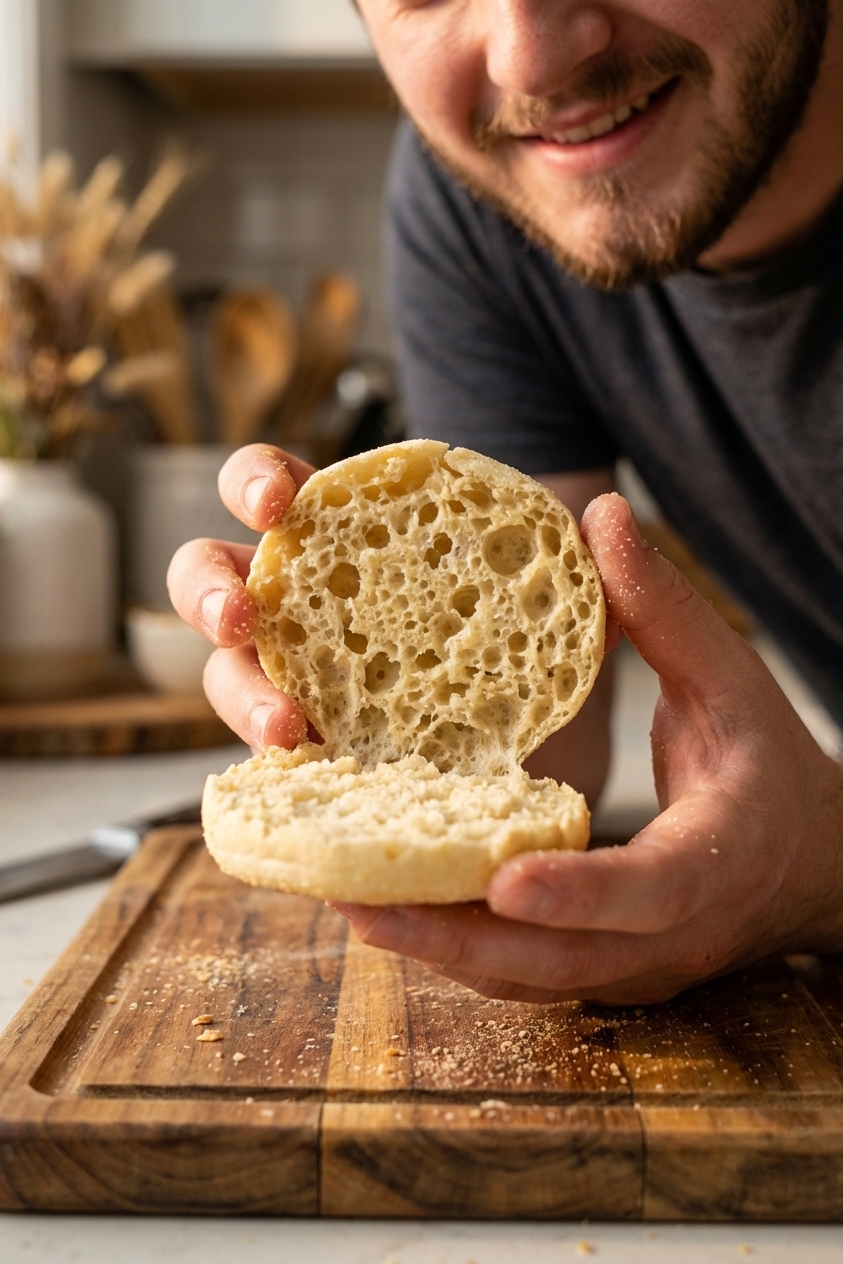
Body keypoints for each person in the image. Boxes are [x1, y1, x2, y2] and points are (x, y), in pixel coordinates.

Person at [168, 0, 843, 1004]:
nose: (531, 55)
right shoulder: (496, 193)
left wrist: (827, 867)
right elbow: (534, 744)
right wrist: (358, 695)